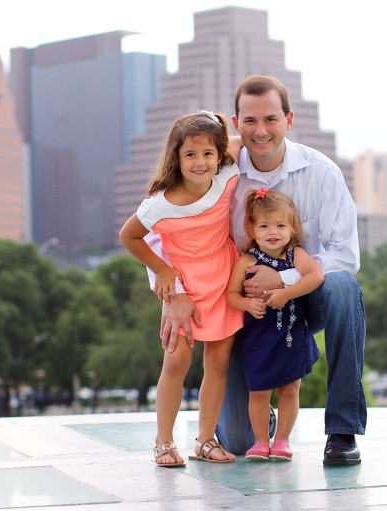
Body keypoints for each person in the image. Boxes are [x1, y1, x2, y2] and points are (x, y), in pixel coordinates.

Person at [160, 75, 366, 465]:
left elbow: (345, 254)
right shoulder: (217, 169)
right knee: (237, 441)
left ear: (289, 120)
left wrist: (286, 278)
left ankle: (342, 430)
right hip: (243, 312)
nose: (261, 131)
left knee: (343, 288)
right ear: (235, 126)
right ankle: (260, 417)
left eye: (271, 119)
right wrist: (173, 292)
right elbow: (164, 226)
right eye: (250, 121)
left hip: (306, 300)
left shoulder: (322, 173)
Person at [119, 110, 243, 467]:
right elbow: (129, 236)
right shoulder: (161, 203)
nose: (200, 162)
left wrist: (216, 121)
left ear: (219, 155)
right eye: (190, 154)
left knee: (218, 363)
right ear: (176, 157)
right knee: (176, 362)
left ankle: (205, 440)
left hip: (223, 279)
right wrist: (162, 271)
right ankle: (163, 441)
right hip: (184, 286)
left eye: (208, 154)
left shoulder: (227, 176)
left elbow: (237, 140)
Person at [226, 188, 323, 461]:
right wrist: (246, 304)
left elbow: (315, 276)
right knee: (258, 392)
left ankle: (282, 440)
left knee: (290, 390)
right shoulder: (247, 261)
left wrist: (285, 292)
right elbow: (231, 296)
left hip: (292, 334)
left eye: (281, 225)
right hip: (259, 339)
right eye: (265, 225)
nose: (273, 232)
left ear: (292, 229)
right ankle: (260, 441)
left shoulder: (296, 255)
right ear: (252, 229)